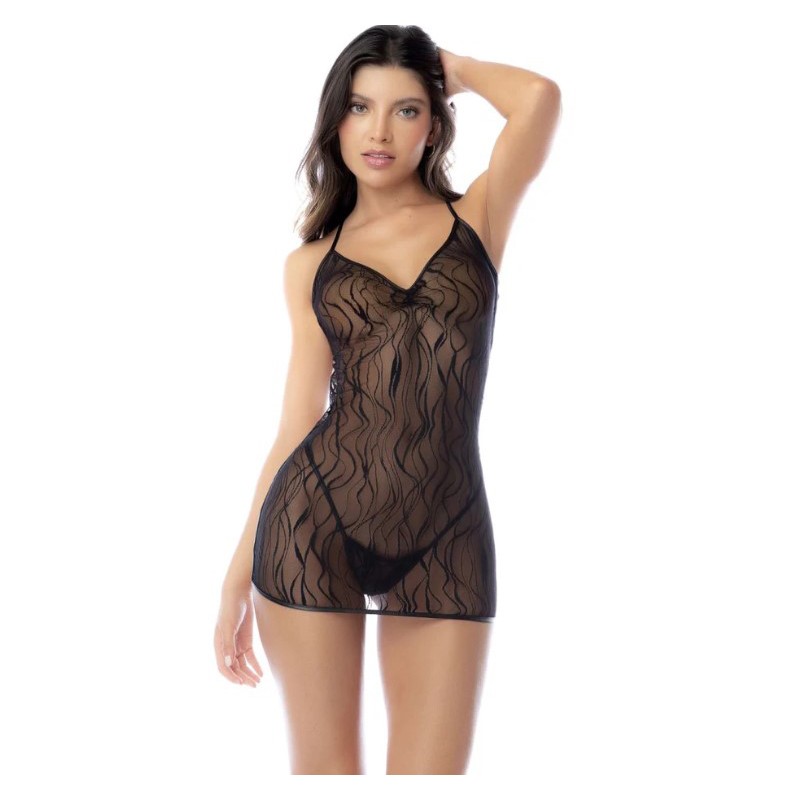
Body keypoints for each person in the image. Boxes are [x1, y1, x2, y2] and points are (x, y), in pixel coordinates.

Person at [213, 24, 561, 775]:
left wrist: (451, 69)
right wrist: (237, 574)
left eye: (405, 110)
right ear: (335, 120)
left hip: (449, 532)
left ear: (433, 124)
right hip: (315, 525)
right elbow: (296, 422)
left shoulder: (478, 219)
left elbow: (539, 98)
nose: (378, 131)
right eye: (360, 107)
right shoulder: (310, 266)